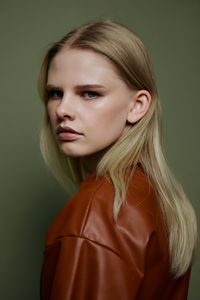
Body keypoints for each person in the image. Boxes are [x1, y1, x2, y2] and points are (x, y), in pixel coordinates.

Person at [38, 19, 197, 300]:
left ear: (137, 106)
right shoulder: (152, 194)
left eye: (89, 93)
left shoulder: (97, 213)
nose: (62, 109)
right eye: (55, 93)